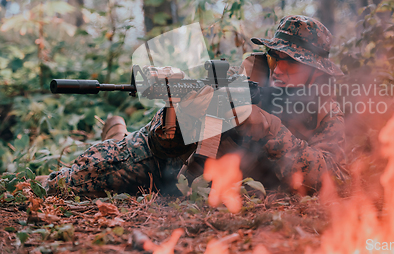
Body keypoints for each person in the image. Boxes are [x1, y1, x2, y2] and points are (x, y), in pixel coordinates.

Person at [42, 15, 349, 196]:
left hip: (233, 190)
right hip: (172, 171)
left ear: (317, 71)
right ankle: (115, 136)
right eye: (273, 57)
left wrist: (273, 130)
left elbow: (333, 178)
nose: (279, 69)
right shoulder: (242, 84)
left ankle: (115, 130)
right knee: (73, 183)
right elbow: (166, 148)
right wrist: (181, 108)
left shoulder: (324, 109)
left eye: (292, 63)